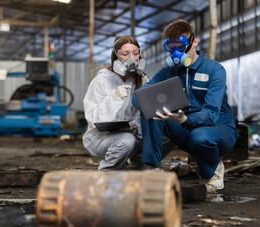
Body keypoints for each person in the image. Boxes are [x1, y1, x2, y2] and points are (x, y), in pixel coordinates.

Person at [132, 19, 238, 191]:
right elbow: (138, 99)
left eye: (180, 46)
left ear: (194, 42)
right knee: (149, 109)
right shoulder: (169, 72)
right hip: (184, 127)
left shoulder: (215, 70)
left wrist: (185, 119)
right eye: (171, 47)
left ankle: (212, 171)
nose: (175, 52)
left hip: (218, 128)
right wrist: (162, 108)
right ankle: (153, 167)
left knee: (200, 137)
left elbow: (211, 113)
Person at [83, 35, 148, 171]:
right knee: (126, 140)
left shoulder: (141, 80)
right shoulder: (101, 80)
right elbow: (93, 118)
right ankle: (107, 172)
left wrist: (136, 127)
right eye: (125, 54)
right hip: (102, 138)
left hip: (134, 134)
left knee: (168, 129)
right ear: (116, 57)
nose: (132, 59)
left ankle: (140, 161)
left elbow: (144, 112)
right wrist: (114, 98)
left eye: (135, 54)